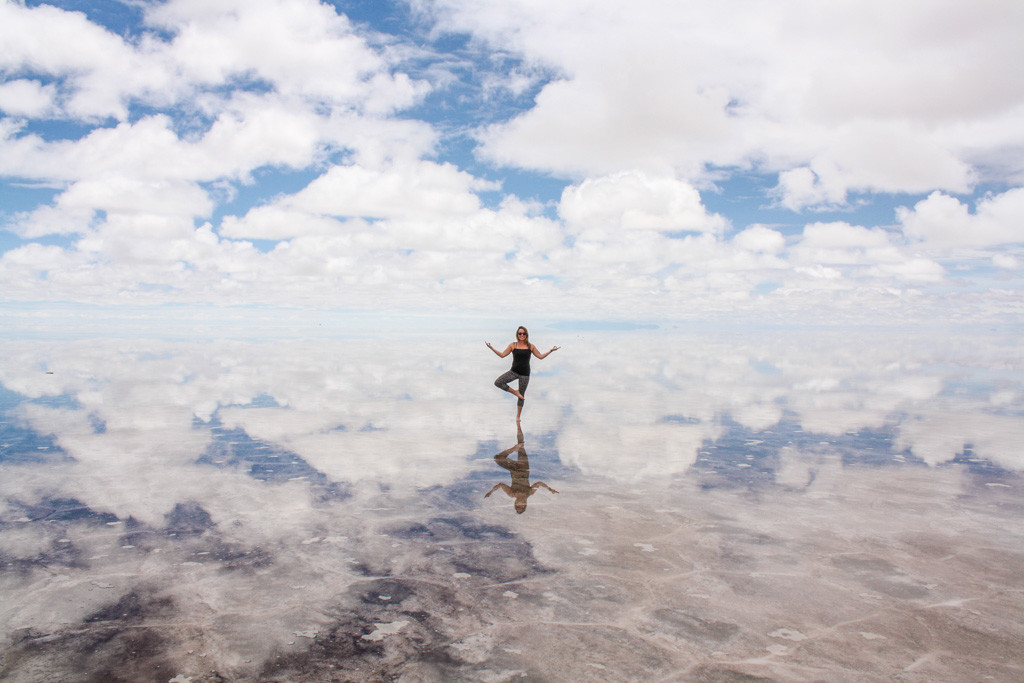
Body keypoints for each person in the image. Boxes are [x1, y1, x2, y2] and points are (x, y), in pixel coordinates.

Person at [486, 326, 560, 421]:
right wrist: (491, 348)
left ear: (526, 335)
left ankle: (518, 417)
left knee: (522, 395)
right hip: (513, 372)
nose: (522, 335)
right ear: (517, 335)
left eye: (524, 333)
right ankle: (515, 392)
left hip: (525, 374)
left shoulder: (530, 346)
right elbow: (502, 355)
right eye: (520, 333)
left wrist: (551, 351)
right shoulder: (513, 345)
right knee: (498, 382)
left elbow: (540, 356)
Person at [484, 424, 558, 514]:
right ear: (526, 504)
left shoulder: (512, 493)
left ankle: (514, 448)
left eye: (518, 505)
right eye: (522, 506)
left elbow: (501, 484)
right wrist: (549, 489)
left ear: (515, 503)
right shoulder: (529, 493)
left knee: (498, 458)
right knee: (521, 444)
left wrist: (491, 492)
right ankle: (518, 424)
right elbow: (539, 483)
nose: (521, 503)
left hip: (514, 469)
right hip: (524, 466)